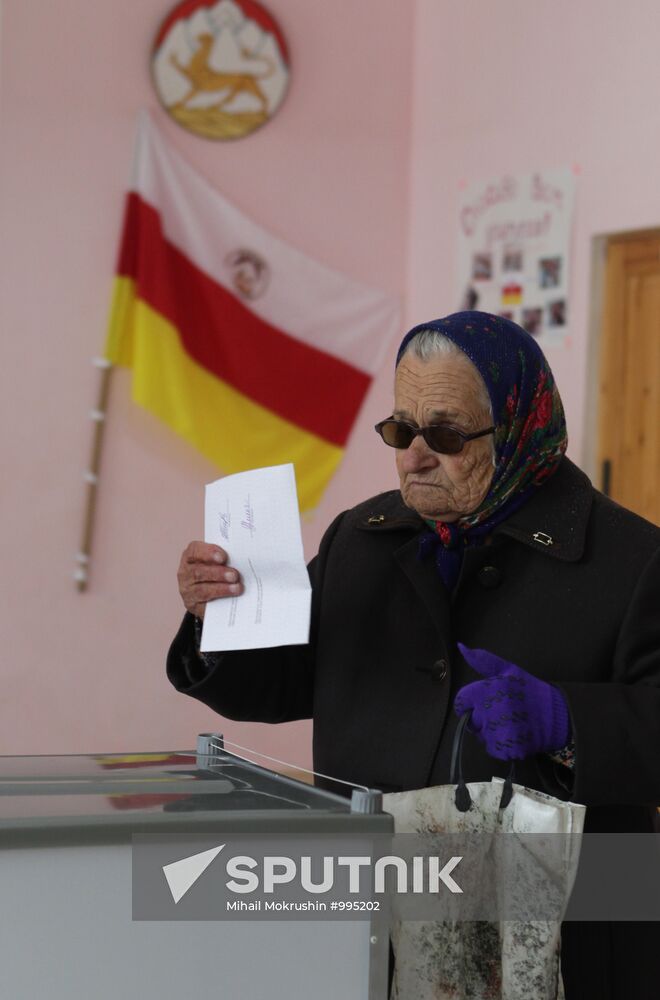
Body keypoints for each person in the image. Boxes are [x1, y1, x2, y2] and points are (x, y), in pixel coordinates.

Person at [168, 310, 660, 998]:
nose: (413, 456)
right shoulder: (361, 539)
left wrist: (572, 724)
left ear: (520, 427)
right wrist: (215, 616)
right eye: (401, 430)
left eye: (447, 434)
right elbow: (279, 685)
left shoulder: (632, 559)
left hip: (567, 938)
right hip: (382, 918)